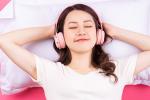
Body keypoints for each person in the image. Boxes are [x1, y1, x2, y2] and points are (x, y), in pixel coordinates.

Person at [0, 4, 150, 100]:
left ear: (99, 35)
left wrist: (116, 32)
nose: (81, 31)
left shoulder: (117, 70)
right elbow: (5, 41)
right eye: (72, 27)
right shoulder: (49, 71)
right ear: (61, 38)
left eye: (88, 26)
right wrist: (50, 31)